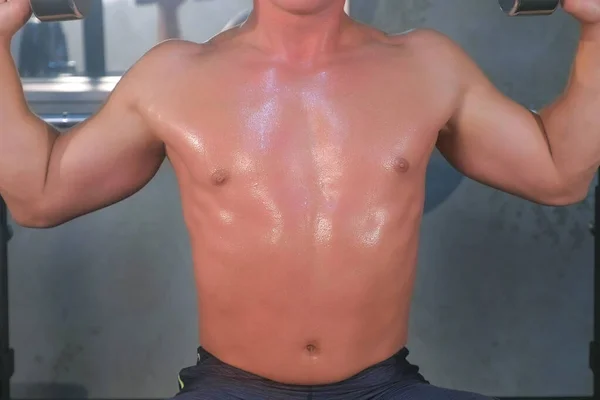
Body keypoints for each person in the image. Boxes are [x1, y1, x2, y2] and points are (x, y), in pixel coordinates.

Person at [0, 0, 597, 398]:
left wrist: (597, 26)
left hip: (384, 386)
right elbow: (40, 194)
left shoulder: (428, 65)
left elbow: (558, 172)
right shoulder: (172, 77)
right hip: (229, 388)